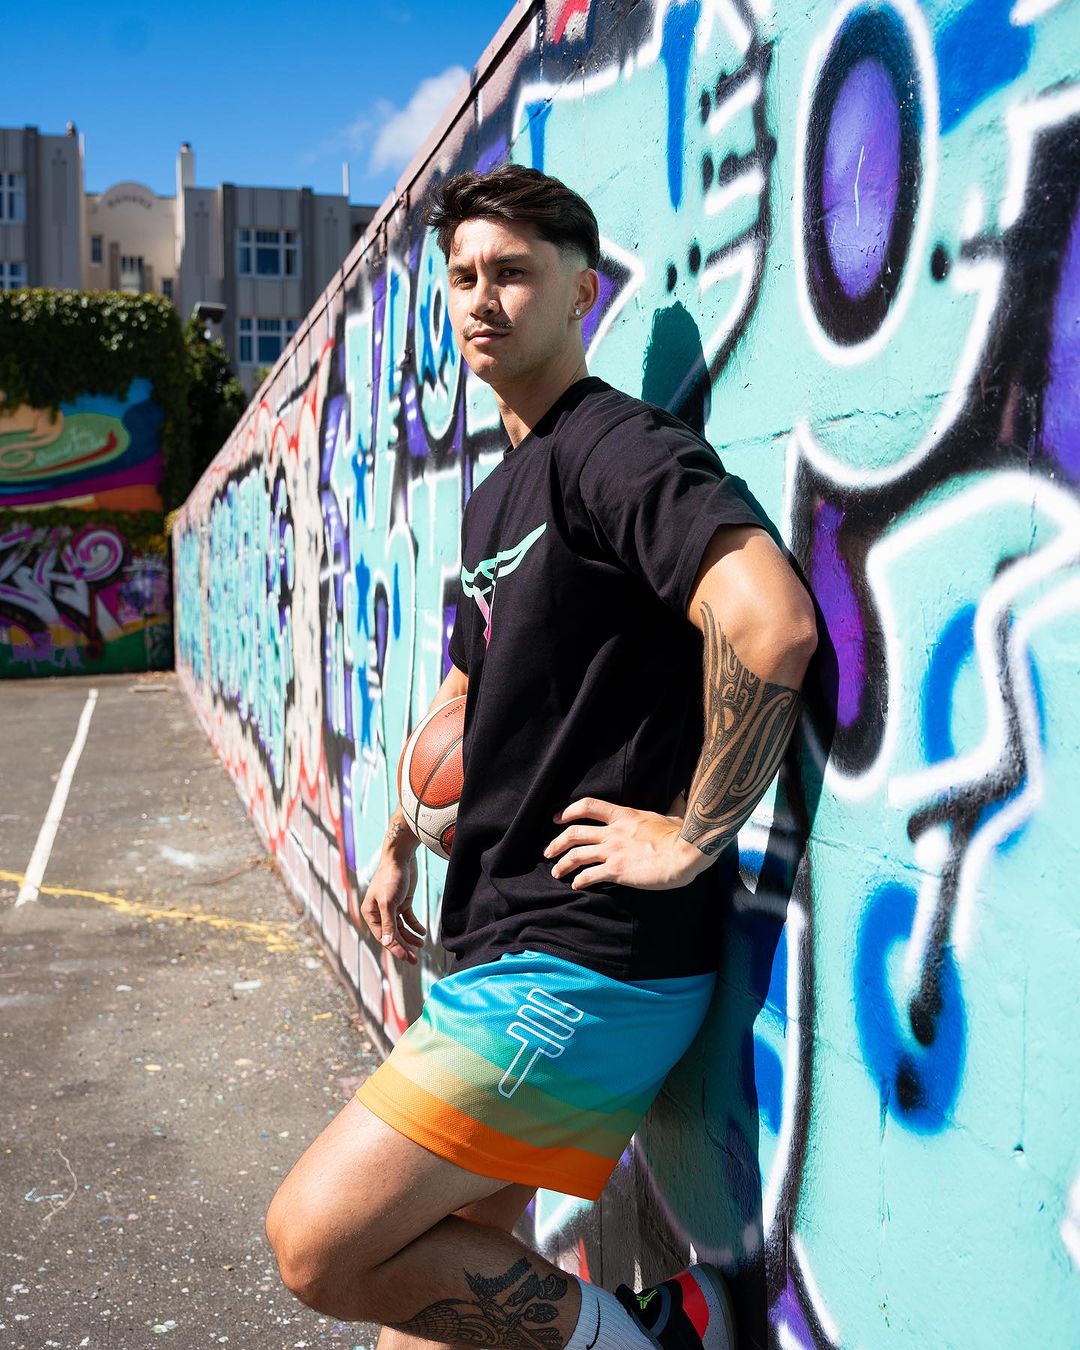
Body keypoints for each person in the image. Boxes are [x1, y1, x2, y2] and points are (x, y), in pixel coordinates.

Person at [266, 165, 817, 1349]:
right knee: (435, 1307)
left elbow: (769, 623)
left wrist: (693, 831)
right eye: (461, 276)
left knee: (316, 1242)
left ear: (584, 287)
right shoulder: (492, 500)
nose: (480, 300)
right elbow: (473, 691)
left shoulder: (611, 447)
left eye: (513, 272)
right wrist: (398, 845)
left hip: (586, 963)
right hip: (501, 935)